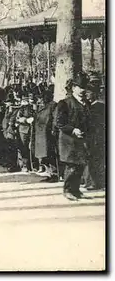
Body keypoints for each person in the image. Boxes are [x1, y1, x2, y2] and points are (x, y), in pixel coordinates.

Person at [55, 72, 91, 201]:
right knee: (71, 166)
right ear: (74, 88)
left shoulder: (86, 103)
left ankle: (76, 190)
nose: (82, 90)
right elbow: (59, 123)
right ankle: (68, 190)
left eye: (84, 87)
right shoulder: (64, 103)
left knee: (80, 165)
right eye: (79, 87)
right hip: (69, 140)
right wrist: (73, 130)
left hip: (82, 139)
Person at [34, 89, 58, 182]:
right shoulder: (44, 106)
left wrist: (53, 130)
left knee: (50, 154)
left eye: (42, 97)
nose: (41, 99)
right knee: (44, 155)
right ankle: (49, 174)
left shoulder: (53, 106)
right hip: (41, 134)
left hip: (47, 134)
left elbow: (55, 119)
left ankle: (54, 174)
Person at [84, 84, 105, 190]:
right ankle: (92, 182)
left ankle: (98, 183)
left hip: (98, 137)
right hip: (90, 138)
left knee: (98, 160)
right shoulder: (88, 106)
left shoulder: (100, 107)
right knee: (91, 160)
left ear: (95, 94)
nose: (86, 94)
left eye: (89, 92)